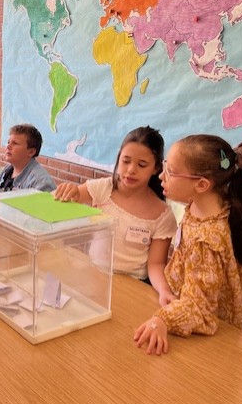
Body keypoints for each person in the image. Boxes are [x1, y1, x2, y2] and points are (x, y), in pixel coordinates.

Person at [134, 134, 242, 355]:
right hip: (178, 302)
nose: (161, 176)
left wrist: (163, 320)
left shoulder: (207, 241)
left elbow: (200, 308)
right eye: (165, 166)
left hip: (206, 342)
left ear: (202, 184)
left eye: (171, 171)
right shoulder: (203, 204)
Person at [54, 126, 177, 305]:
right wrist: (70, 190)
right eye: (126, 161)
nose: (131, 170)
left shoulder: (162, 215)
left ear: (155, 168)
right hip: (95, 275)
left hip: (133, 285)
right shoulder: (102, 188)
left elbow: (156, 264)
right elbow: (72, 196)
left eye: (142, 165)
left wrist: (164, 290)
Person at [0, 123, 55, 194]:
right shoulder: (8, 169)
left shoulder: (40, 182)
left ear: (31, 152)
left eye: (15, 143)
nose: (8, 146)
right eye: (8, 142)